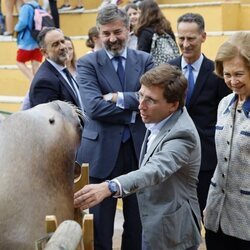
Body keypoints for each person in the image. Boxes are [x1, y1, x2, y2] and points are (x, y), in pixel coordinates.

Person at [74, 64, 202, 250]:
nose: (140, 105)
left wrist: (110, 186)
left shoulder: (182, 134)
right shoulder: (160, 118)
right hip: (154, 224)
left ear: (173, 105)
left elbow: (154, 170)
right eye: (140, 95)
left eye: (150, 100)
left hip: (172, 233)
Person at [76, 4, 154, 250]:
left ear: (129, 29)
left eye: (117, 32)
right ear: (99, 33)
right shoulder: (87, 63)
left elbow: (151, 102)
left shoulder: (145, 60)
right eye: (106, 33)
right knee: (100, 229)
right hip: (100, 155)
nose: (112, 39)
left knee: (136, 226)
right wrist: (134, 109)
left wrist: (115, 97)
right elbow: (93, 108)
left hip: (139, 152)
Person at [169, 13, 231, 218]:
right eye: (181, 38)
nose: (185, 44)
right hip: (173, 157)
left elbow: (225, 115)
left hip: (207, 159)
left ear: (203, 37)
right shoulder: (167, 70)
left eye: (191, 39)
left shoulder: (217, 72)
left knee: (206, 216)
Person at [204, 31, 250, 250]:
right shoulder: (224, 103)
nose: (232, 81)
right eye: (227, 74)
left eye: (239, 74)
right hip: (217, 216)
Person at [29, 27, 82, 110]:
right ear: (44, 52)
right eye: (55, 44)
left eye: (62, 41)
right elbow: (49, 120)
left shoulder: (63, 70)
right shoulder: (44, 82)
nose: (63, 47)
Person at [14, 0, 43, 81]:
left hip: (27, 40)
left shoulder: (26, 7)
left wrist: (16, 28)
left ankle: (33, 81)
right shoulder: (38, 6)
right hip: (37, 40)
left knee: (19, 62)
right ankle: (37, 83)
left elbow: (23, 22)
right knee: (35, 64)